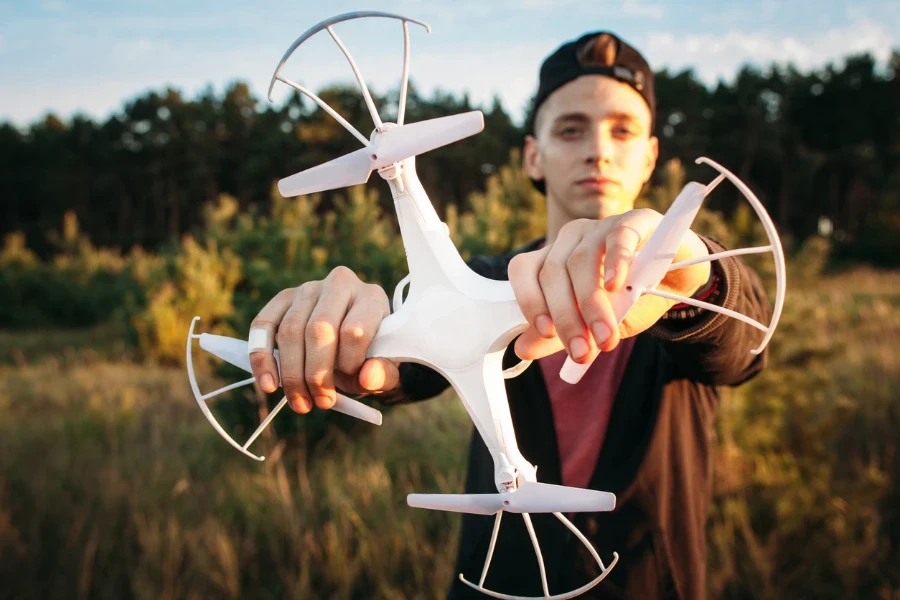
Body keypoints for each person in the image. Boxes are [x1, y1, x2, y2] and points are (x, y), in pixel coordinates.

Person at [246, 31, 772, 600]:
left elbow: (743, 346)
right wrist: (351, 334)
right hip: (496, 581)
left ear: (649, 158)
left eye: (622, 130)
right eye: (571, 128)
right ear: (533, 155)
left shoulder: (683, 293)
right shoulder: (476, 281)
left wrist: (694, 274)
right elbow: (412, 366)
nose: (598, 149)